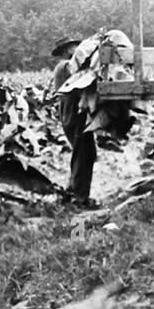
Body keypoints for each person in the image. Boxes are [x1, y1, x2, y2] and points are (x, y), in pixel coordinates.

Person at [51, 36, 97, 207]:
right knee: (84, 153)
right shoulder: (66, 66)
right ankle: (80, 197)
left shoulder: (65, 66)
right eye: (73, 47)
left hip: (72, 112)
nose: (77, 48)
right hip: (73, 112)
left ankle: (72, 190)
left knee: (84, 152)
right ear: (65, 51)